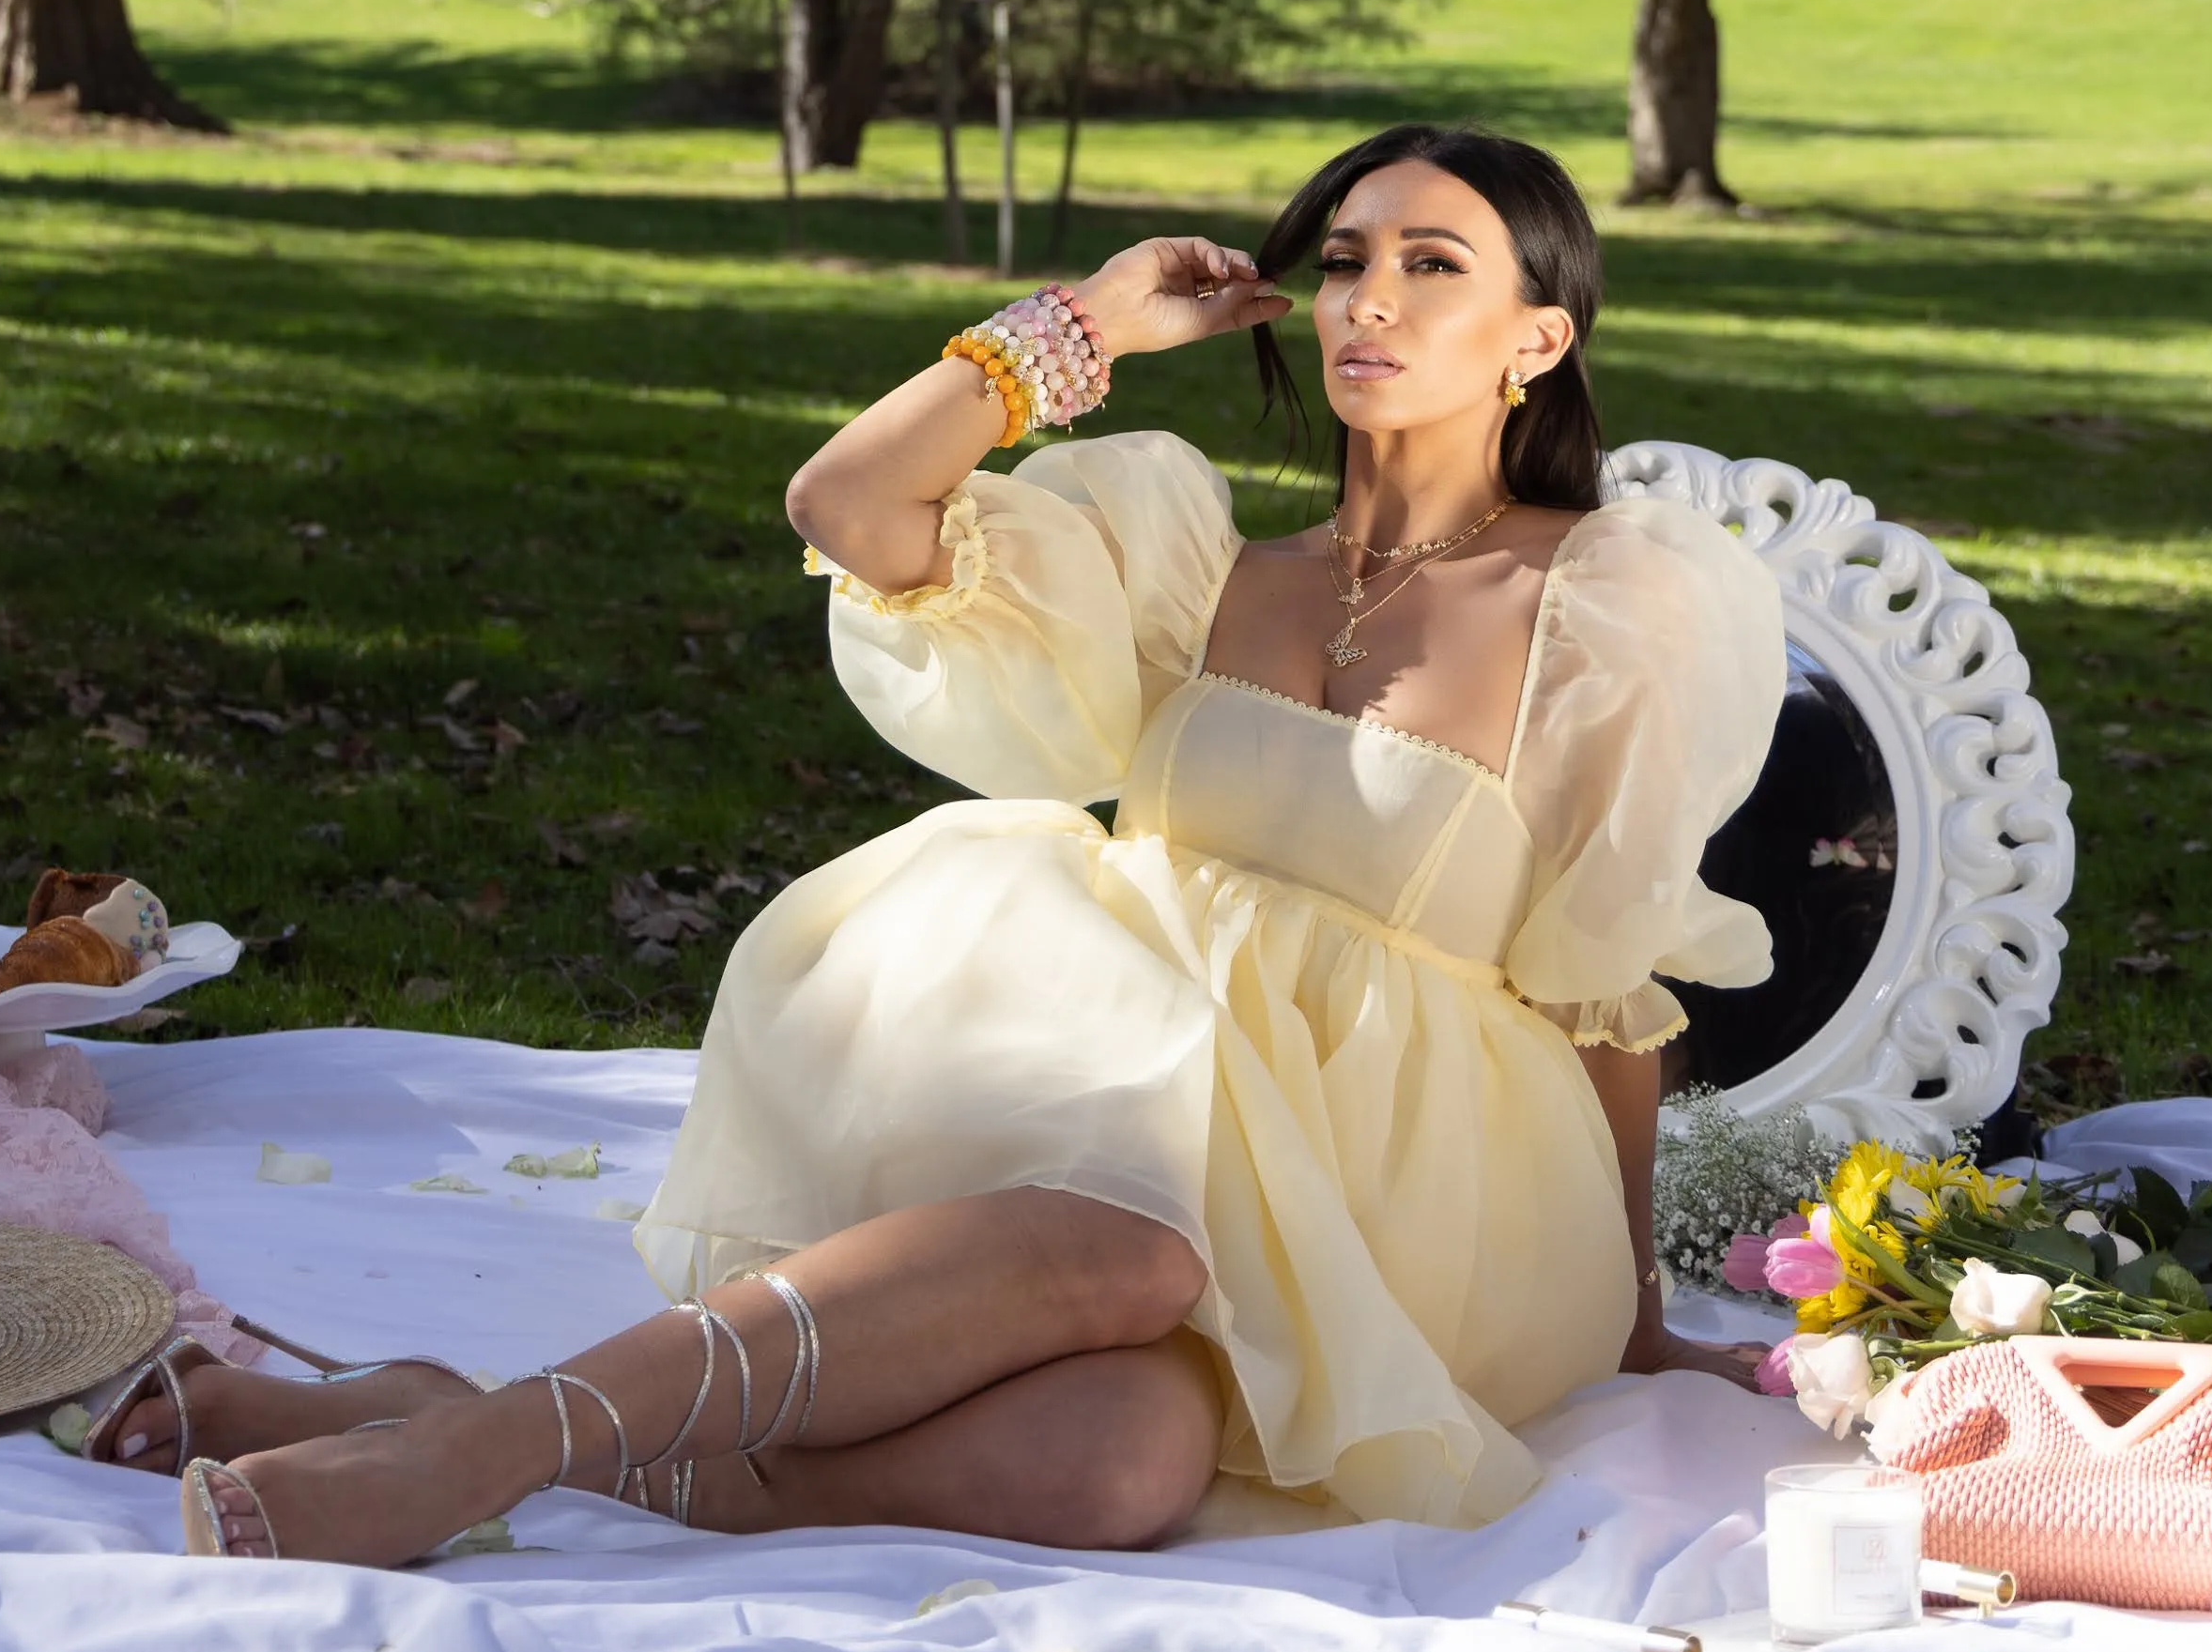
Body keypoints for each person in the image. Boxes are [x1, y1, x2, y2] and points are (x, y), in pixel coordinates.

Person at [111, 122, 1787, 1565]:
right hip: (1129, 1095)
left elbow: (1606, 981)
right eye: (1348, 258)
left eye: (1435, 265)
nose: (1371, 297)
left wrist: (1629, 1319)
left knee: (1126, 1356)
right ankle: (459, 1443)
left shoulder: (1607, 600)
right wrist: (1083, 327)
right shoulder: (1196, 556)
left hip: (1402, 1183)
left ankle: (460, 1441)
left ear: (1537, 338)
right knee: (1120, 1389)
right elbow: (849, 505)